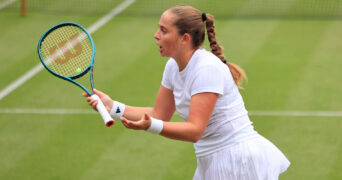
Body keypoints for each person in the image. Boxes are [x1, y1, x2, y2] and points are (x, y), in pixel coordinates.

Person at [84, 5, 290, 180]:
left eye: (163, 31)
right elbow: (158, 114)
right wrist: (113, 107)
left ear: (184, 38)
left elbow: (194, 131)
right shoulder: (173, 67)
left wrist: (151, 127)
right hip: (211, 160)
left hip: (237, 160)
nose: (156, 35)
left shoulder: (206, 68)